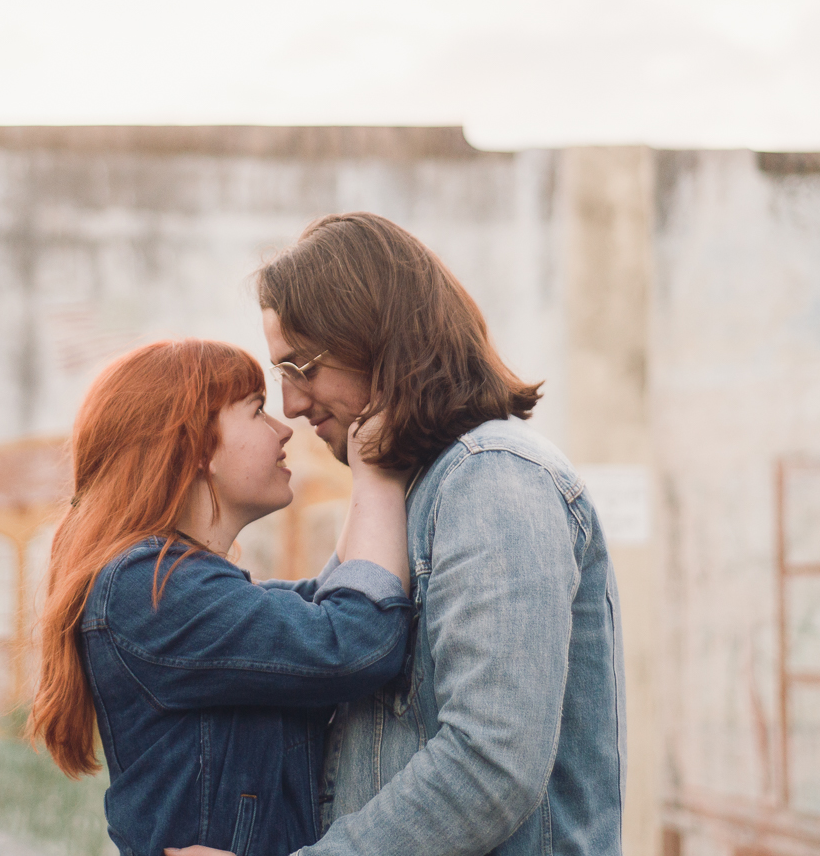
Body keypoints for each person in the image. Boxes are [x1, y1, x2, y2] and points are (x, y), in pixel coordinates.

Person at [173, 212, 625, 856]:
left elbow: (491, 763)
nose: (293, 405)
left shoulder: (493, 478)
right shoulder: (412, 491)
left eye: (300, 366)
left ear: (376, 341)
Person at [28, 338, 415, 856]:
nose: (283, 427)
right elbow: (356, 638)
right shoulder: (148, 588)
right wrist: (379, 470)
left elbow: (331, 605)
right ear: (197, 446)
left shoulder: (187, 588)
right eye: (257, 410)